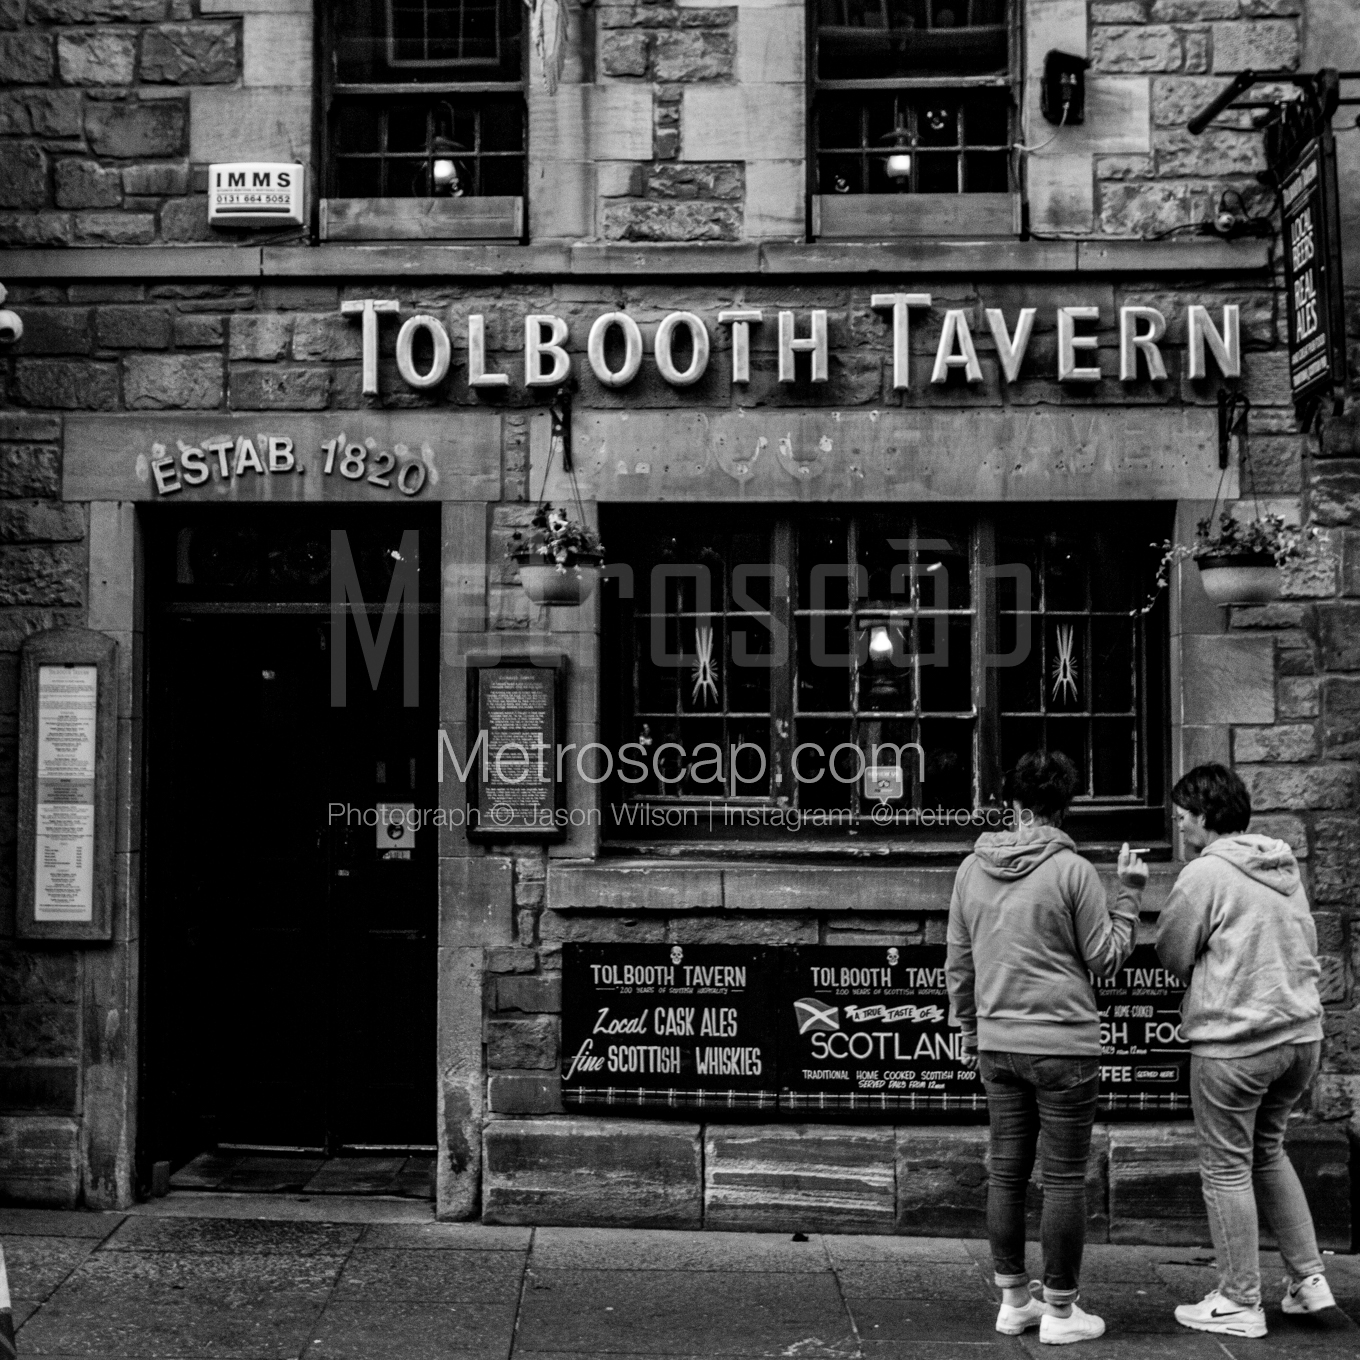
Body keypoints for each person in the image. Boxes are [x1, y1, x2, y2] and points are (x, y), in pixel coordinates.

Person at [947, 750, 1147, 1346]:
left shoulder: (970, 870)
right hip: (1065, 1047)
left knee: (1006, 1174)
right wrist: (1130, 894)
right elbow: (1106, 958)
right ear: (1064, 809)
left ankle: (1014, 1301)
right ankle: (1060, 1312)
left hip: (998, 1044)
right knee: (1062, 1179)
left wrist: (969, 1032)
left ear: (1013, 806)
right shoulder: (1073, 871)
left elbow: (959, 964)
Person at [1157, 763, 1330, 1339]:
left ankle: (1238, 1300)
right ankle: (1309, 1280)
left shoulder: (1205, 873)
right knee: (1268, 1152)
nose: (1179, 827)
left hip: (1236, 1044)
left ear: (1205, 816)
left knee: (1225, 1168)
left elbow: (1173, 953)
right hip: (1300, 1038)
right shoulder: (1282, 864)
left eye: (1183, 817)